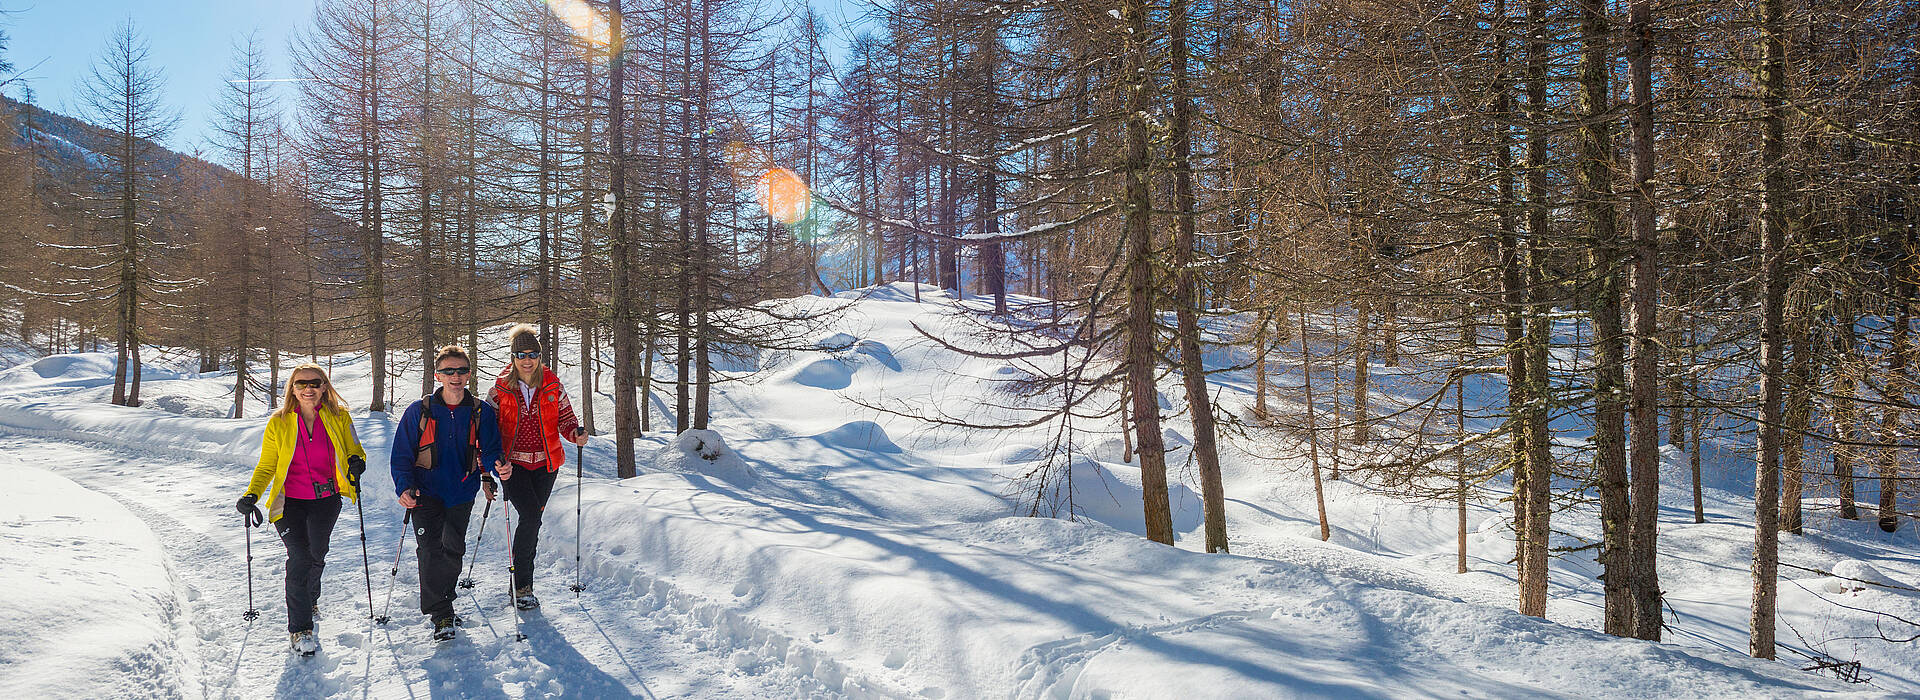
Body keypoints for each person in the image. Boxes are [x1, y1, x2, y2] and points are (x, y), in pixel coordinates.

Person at [235, 363, 369, 656]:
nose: (308, 388)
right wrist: (252, 494)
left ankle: (311, 596)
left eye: (314, 382)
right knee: (299, 557)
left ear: (324, 386)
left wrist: (357, 462)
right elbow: (267, 465)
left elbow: (354, 449)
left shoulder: (339, 417)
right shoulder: (279, 422)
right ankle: (300, 629)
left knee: (317, 554)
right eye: (301, 384)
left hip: (327, 499)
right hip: (289, 503)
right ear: (292, 389)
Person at [389, 345, 503, 642]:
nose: (456, 376)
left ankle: (444, 599)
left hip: (462, 491)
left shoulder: (480, 411)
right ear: (437, 375)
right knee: (430, 549)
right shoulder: (420, 410)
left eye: (462, 370)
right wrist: (404, 486)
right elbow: (401, 454)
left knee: (453, 549)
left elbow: (490, 449)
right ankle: (442, 613)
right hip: (424, 492)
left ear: (469, 374)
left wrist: (497, 465)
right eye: (449, 371)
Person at [486, 325, 589, 610]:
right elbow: (487, 429)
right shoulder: (499, 389)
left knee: (532, 520)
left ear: (540, 356)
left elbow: (566, 418)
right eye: (521, 354)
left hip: (546, 464)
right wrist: (492, 463)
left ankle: (520, 583)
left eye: (533, 354)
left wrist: (576, 434)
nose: (527, 360)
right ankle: (522, 586)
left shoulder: (553, 385)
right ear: (513, 357)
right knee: (531, 516)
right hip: (512, 464)